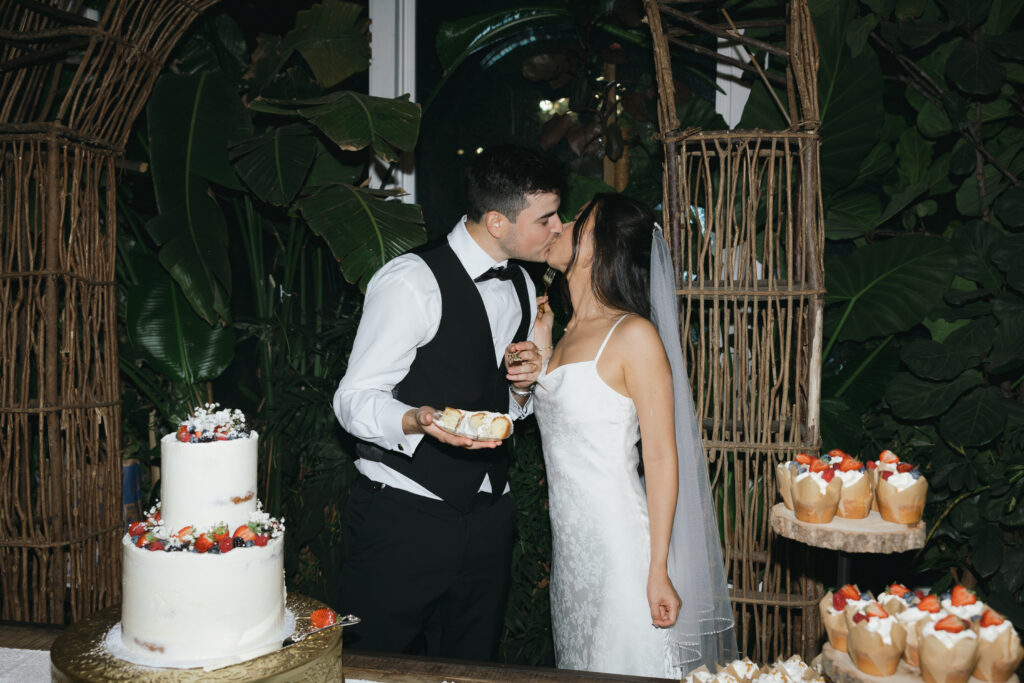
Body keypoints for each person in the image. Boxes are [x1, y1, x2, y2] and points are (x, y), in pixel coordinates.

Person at [332, 144, 564, 660]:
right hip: (403, 516)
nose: (558, 227)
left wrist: (522, 388)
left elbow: (501, 399)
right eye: (546, 217)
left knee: (471, 667)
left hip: (490, 516)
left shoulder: (525, 284)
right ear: (498, 220)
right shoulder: (410, 281)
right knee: (374, 665)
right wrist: (413, 419)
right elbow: (352, 399)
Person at [530, 193, 737, 678]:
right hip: (575, 554)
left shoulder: (633, 335)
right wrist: (540, 356)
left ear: (599, 247)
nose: (560, 225)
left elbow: (663, 458)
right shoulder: (562, 335)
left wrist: (659, 568)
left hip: (623, 549)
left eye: (577, 220)